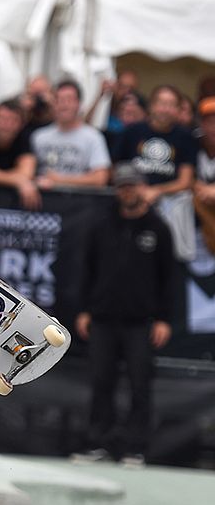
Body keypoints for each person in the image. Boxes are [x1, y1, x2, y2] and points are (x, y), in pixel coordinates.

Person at [73, 162, 174, 466]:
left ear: (142, 188)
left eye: (132, 186)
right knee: (101, 381)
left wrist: (164, 319)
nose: (128, 191)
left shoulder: (158, 228)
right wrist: (84, 310)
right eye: (122, 186)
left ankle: (135, 448)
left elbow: (169, 277)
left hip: (140, 322)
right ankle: (97, 443)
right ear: (117, 191)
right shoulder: (101, 225)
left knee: (140, 384)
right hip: (103, 318)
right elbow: (87, 270)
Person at [115, 84, 197, 260]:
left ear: (177, 109)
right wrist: (135, 192)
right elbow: (115, 169)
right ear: (151, 106)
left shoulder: (185, 138)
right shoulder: (132, 132)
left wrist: (156, 191)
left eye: (171, 104)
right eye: (161, 103)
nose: (165, 109)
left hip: (168, 211)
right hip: (130, 206)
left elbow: (185, 181)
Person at [31, 79, 111, 189]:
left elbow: (100, 178)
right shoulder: (38, 136)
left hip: (78, 203)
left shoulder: (93, 137)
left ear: (79, 104)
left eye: (69, 99)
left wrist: (59, 180)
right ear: (53, 104)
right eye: (59, 100)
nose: (64, 105)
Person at [193, 97, 215, 254]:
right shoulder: (192, 144)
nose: (214, 128)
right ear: (201, 124)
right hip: (195, 220)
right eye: (209, 122)